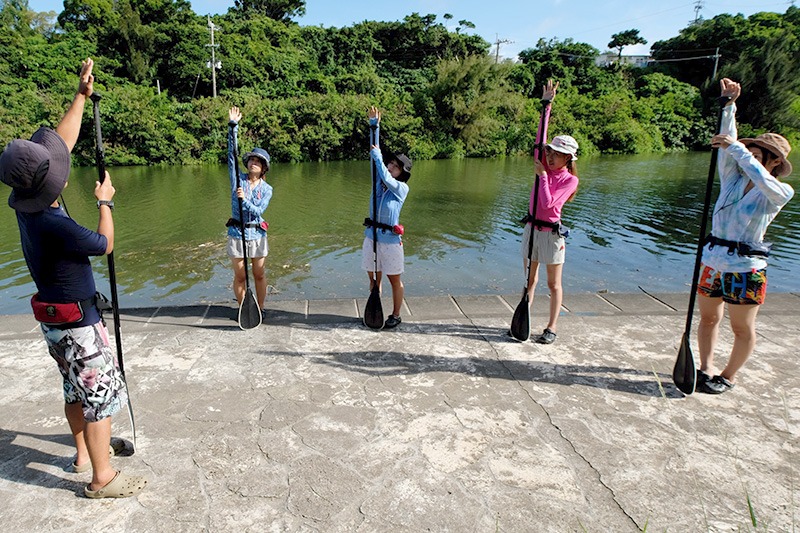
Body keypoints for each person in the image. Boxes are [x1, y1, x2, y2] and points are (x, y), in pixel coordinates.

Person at [0, 58, 147, 498]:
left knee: (73, 387)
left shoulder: (26, 206)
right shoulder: (55, 224)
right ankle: (102, 477)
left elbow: (61, 143)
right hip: (79, 322)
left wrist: (80, 95)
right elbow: (104, 245)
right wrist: (105, 202)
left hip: (53, 319)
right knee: (98, 396)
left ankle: (84, 453)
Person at [696, 78, 794, 394]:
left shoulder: (779, 191)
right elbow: (729, 150)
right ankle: (705, 366)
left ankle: (728, 375)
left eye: (759, 153)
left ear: (775, 161)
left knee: (741, 327)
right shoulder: (733, 182)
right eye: (751, 150)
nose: (749, 155)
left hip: (745, 269)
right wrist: (728, 105)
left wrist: (738, 150)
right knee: (709, 318)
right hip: (713, 261)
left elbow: (745, 161)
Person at [522, 80, 579, 344]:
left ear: (569, 158)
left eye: (559, 154)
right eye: (551, 152)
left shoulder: (569, 180)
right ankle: (524, 319)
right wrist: (547, 105)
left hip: (552, 235)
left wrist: (543, 176)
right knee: (528, 280)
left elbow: (548, 205)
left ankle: (552, 327)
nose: (552, 156)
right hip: (532, 229)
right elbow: (539, 140)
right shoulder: (543, 162)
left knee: (553, 284)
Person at [362, 106, 411, 329]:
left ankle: (397, 314)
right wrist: (374, 127)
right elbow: (376, 163)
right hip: (372, 237)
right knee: (373, 278)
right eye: (390, 164)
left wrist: (379, 158)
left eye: (396, 166)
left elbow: (380, 165)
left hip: (390, 242)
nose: (391, 167)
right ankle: (376, 307)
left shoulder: (400, 188)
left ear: (402, 173)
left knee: (394, 279)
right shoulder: (378, 184)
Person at [226, 107, 273, 319]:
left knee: (259, 273)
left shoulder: (267, 189)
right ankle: (245, 307)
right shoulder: (238, 180)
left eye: (257, 161)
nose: (252, 163)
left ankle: (260, 308)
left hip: (257, 234)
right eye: (251, 160)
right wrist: (232, 128)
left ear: (263, 167)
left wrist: (244, 200)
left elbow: (259, 211)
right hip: (237, 232)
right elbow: (230, 156)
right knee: (240, 276)